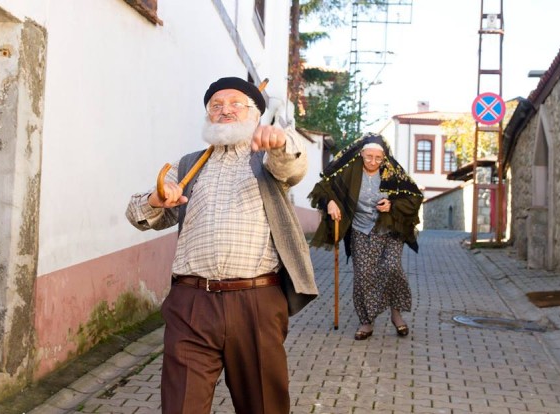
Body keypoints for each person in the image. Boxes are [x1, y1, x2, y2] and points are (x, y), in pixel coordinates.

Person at [125, 76, 318, 414]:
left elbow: (293, 166)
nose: (224, 110)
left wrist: (279, 142)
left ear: (255, 116)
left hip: (256, 302)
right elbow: (138, 215)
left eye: (235, 104)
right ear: (208, 117)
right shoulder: (187, 166)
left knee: (264, 406)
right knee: (180, 407)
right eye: (216, 106)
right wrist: (157, 199)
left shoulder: (268, 159)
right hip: (191, 304)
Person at [308, 133, 423, 340]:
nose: (373, 162)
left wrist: (392, 205)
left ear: (384, 157)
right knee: (364, 274)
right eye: (369, 157)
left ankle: (396, 314)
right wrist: (330, 202)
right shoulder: (349, 171)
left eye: (378, 158)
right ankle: (366, 321)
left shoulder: (392, 172)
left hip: (389, 230)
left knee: (391, 267)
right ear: (361, 154)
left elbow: (414, 197)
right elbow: (322, 187)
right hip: (361, 230)